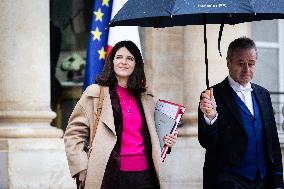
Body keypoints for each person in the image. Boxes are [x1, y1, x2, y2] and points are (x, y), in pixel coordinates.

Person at [64, 40, 177, 189]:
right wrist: (80, 167)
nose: (123, 62)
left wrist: (167, 141)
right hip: (109, 175)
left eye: (129, 58)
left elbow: (155, 136)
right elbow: (73, 134)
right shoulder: (95, 93)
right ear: (112, 61)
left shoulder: (147, 98)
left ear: (136, 64)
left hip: (146, 175)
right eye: (119, 57)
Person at [198, 37, 283, 189]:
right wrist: (210, 118)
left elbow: (272, 141)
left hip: (263, 180)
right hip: (228, 181)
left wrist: (278, 181)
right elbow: (207, 143)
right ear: (228, 62)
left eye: (251, 64)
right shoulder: (211, 95)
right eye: (241, 63)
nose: (247, 70)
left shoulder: (264, 94)